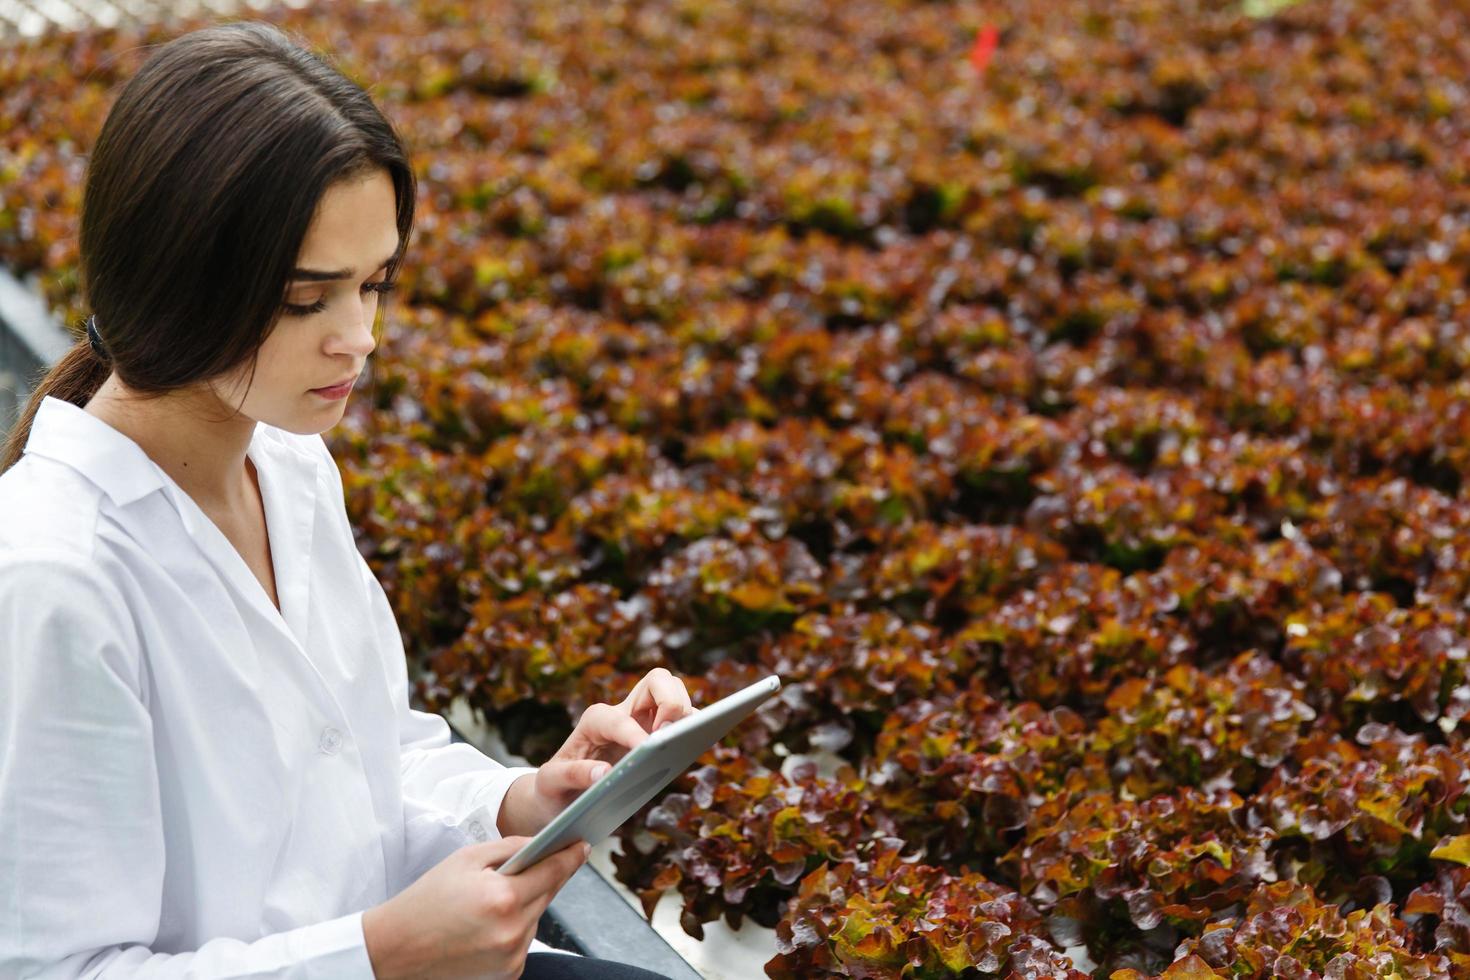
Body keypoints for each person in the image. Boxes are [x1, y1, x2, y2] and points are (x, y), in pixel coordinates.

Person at [0, 20, 691, 980]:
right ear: (172, 278)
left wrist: (526, 801)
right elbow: (54, 972)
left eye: (376, 282)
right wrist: (381, 951)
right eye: (303, 298)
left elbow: (364, 764)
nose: (359, 336)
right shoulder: (52, 578)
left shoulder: (285, 466)